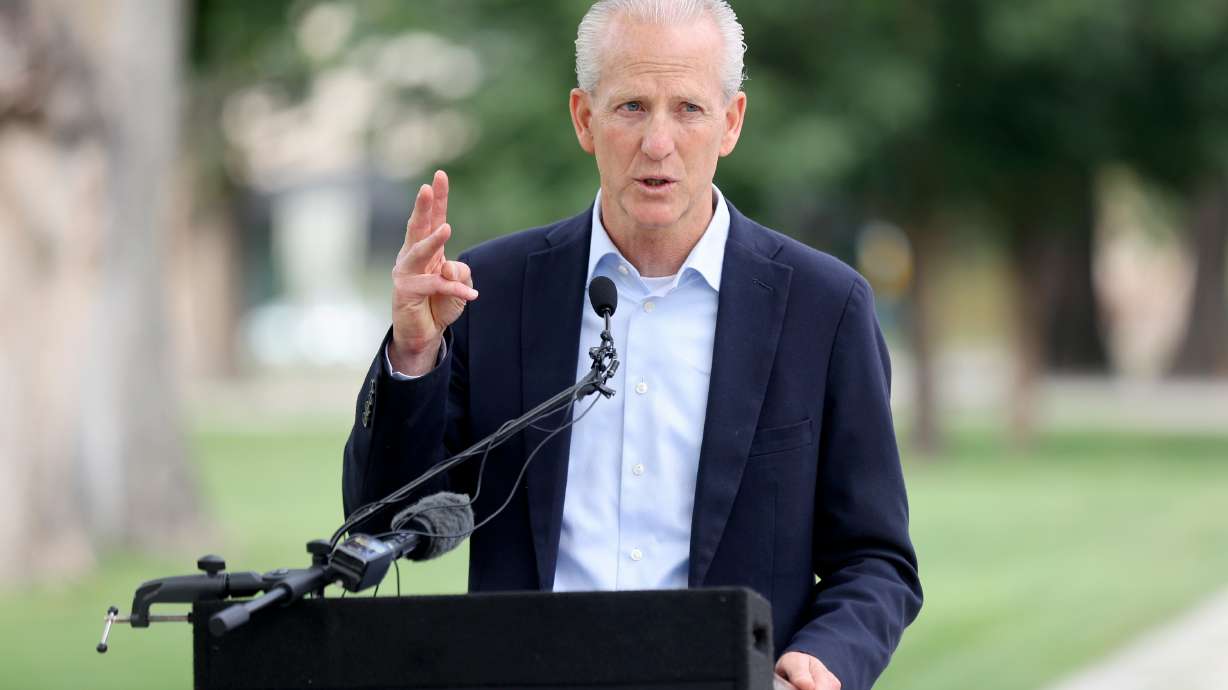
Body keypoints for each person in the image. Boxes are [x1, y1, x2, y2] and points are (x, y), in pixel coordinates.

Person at [342, 2, 921, 689]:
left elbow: (876, 560)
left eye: (688, 110)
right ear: (584, 119)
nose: (657, 142)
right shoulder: (483, 293)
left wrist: (825, 661)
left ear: (731, 122)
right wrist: (413, 353)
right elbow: (381, 519)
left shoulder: (825, 308)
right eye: (631, 108)